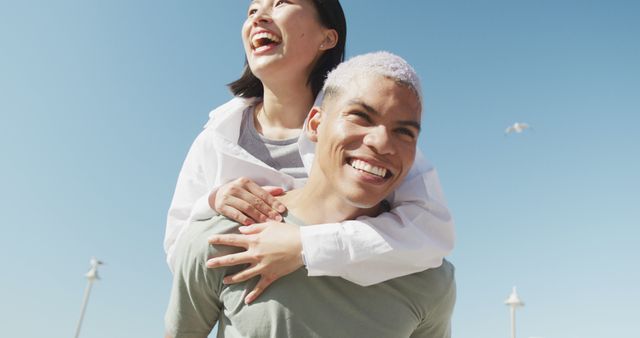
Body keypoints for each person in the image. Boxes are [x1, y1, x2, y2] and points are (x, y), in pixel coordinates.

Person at [165, 0, 454, 303]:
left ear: (327, 38)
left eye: (280, 3)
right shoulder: (215, 138)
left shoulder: (368, 137)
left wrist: (305, 246)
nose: (259, 16)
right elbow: (178, 253)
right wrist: (212, 203)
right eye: (252, 11)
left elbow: (431, 235)